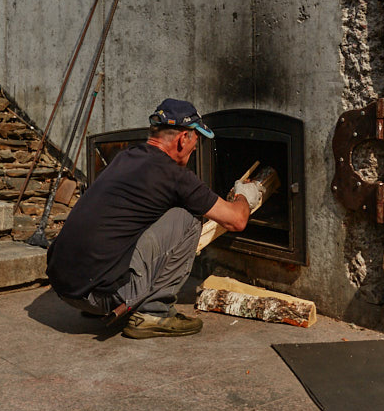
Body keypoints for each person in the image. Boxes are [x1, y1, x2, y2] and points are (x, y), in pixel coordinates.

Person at [46, 98, 261, 339]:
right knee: (189, 217)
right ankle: (154, 313)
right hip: (99, 298)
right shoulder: (174, 176)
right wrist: (245, 194)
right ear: (183, 139)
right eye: (196, 142)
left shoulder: (126, 156)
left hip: (65, 289)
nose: (194, 149)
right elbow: (236, 220)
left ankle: (108, 294)